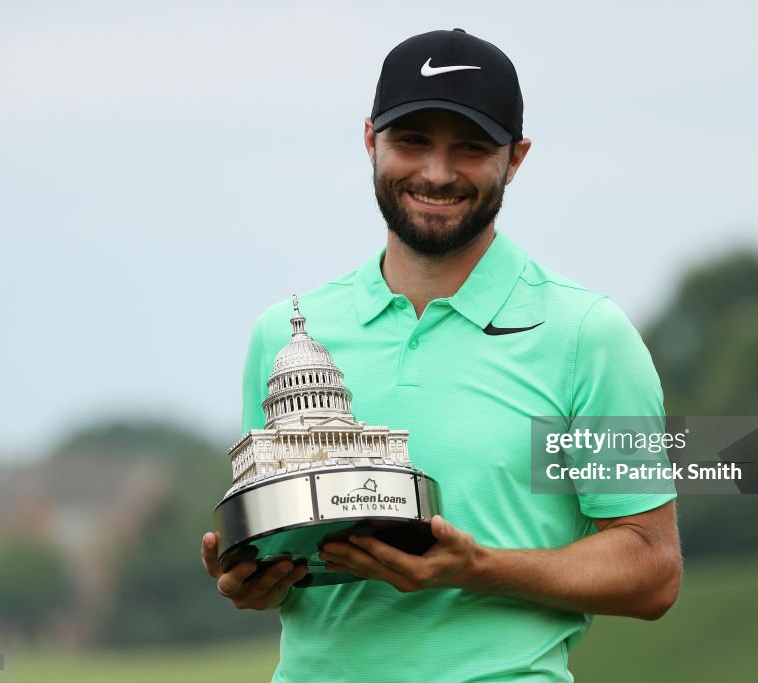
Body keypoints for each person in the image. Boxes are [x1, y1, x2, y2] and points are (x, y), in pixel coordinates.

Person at [201, 28, 681, 682]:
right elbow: (293, 568)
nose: (436, 172)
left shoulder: (587, 336)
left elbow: (651, 567)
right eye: (412, 141)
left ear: (516, 157)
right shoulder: (282, 331)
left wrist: (476, 567)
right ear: (370, 140)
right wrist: (258, 579)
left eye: (472, 148)